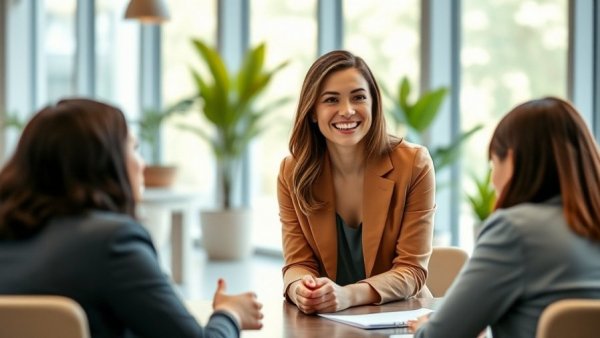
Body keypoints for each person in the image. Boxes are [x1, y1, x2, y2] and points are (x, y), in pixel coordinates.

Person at [0, 98, 263, 338]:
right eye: (134, 148)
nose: (143, 164)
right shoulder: (113, 242)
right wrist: (231, 314)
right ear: (105, 161)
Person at [410, 97, 600, 338]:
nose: (492, 180)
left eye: (493, 164)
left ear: (511, 160)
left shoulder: (515, 230)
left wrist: (424, 328)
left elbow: (440, 336)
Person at [278, 50, 436, 314]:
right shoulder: (292, 171)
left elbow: (411, 270)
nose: (347, 111)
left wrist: (348, 295)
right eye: (331, 100)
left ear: (374, 104)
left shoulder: (414, 164)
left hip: (399, 317)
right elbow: (298, 262)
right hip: (325, 320)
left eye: (359, 97)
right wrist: (300, 288)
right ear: (313, 112)